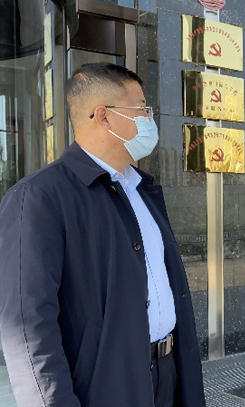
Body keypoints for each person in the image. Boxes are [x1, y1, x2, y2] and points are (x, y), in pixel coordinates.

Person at [0, 63, 205, 407]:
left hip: (167, 374)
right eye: (141, 108)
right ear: (104, 116)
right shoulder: (39, 198)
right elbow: (28, 326)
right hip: (105, 387)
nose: (149, 119)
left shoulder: (141, 190)